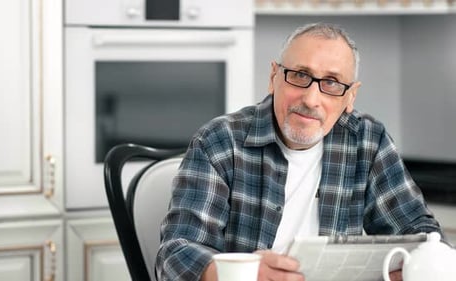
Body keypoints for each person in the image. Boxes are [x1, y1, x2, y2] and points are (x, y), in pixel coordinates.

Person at [155, 22, 442, 281]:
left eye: (331, 83)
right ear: (274, 77)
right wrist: (245, 273)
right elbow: (176, 252)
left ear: (350, 96)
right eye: (300, 75)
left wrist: (417, 266)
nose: (311, 98)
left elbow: (421, 233)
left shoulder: (368, 141)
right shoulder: (219, 141)